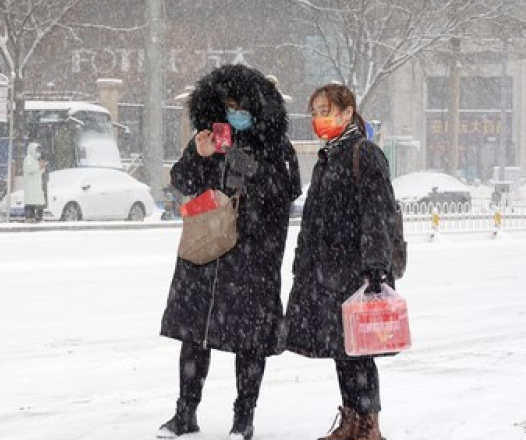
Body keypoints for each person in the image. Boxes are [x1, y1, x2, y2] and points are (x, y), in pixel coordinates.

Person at [158, 64, 301, 440]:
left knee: (249, 340)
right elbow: (181, 182)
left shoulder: (275, 145)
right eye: (226, 105)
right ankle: (185, 413)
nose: (232, 112)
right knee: (195, 333)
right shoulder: (208, 138)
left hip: (253, 256)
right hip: (205, 252)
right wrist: (200, 155)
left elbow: (285, 192)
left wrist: (245, 164)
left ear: (256, 107)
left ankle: (244, 418)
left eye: (239, 106)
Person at [284, 84, 400, 440]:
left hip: (357, 270)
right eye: (316, 112)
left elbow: (377, 212)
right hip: (328, 271)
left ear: (348, 112)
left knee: (359, 351)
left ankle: (369, 425)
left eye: (327, 110)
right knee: (342, 349)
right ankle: (350, 418)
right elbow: (314, 219)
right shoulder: (329, 157)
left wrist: (376, 267)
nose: (320, 118)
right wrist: (302, 263)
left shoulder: (364, 153)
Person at [22, 142, 47, 223]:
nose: (38, 152)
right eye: (36, 150)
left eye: (39, 150)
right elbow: (29, 169)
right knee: (30, 202)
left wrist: (43, 167)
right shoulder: (28, 159)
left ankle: (36, 218)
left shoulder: (36, 159)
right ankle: (30, 217)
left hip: (36, 185)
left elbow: (40, 171)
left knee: (38, 202)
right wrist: (39, 166)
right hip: (30, 186)